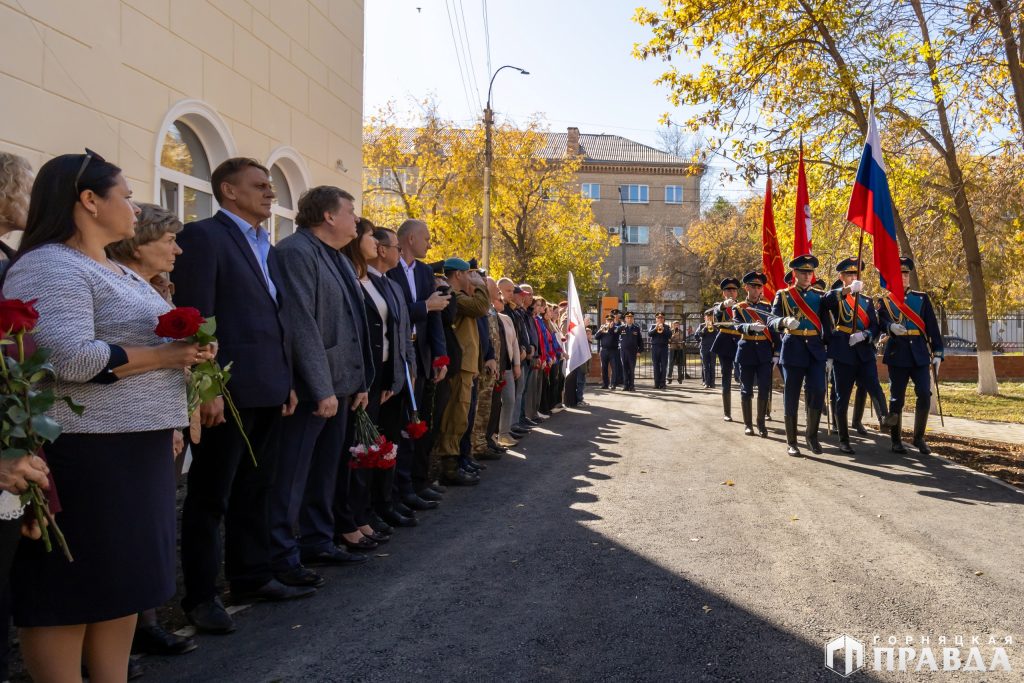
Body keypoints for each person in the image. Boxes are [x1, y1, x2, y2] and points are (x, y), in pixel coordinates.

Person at [4, 150, 206, 681]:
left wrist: (181, 354)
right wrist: (164, 356)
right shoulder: (50, 263)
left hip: (133, 445)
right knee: (72, 593)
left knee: (125, 587)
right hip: (86, 452)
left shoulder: (114, 268)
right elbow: (68, 356)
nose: (136, 208)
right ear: (89, 200)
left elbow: (133, 341)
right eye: (127, 196)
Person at [172, 157, 309, 635]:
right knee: (211, 496)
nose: (271, 194)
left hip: (270, 387)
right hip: (226, 394)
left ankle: (251, 577)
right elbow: (197, 316)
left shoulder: (264, 246)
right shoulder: (203, 237)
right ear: (228, 191)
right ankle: (201, 596)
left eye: (271, 187)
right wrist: (205, 388)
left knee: (257, 489)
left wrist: (287, 380)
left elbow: (276, 318)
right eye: (261, 186)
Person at [105, 203, 200, 657]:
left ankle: (144, 620)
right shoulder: (115, 285)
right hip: (121, 427)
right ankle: (125, 630)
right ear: (137, 243)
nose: (178, 249)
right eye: (168, 240)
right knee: (125, 533)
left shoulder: (153, 287)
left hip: (159, 422)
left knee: (148, 532)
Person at [270, 186, 371, 593]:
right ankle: (283, 555)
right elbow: (301, 323)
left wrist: (360, 381)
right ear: (328, 216)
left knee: (325, 471)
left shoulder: (338, 258)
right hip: (316, 388)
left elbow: (356, 324)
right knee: (293, 475)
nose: (355, 219)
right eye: (350, 211)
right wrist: (321, 385)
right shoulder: (296, 251)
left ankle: (317, 540)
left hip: (341, 385)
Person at [386, 220, 451, 501]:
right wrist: (424, 306)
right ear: (410, 239)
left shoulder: (425, 272)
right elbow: (393, 314)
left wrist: (440, 355)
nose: (430, 243)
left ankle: (417, 482)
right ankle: (399, 490)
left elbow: (435, 316)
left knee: (420, 423)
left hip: (422, 357)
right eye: (426, 238)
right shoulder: (388, 269)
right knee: (398, 426)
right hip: (397, 356)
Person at [369, 227, 421, 526]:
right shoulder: (366, 283)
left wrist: (410, 368)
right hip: (381, 378)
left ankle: (388, 501)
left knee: (393, 441)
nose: (399, 253)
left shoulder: (391, 285)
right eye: (395, 248)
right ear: (381, 250)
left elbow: (404, 334)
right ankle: (374, 507)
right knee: (377, 443)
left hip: (399, 377)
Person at [822, 258, 899, 453]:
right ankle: (844, 438)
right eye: (849, 274)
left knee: (874, 384)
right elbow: (825, 303)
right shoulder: (837, 296)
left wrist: (866, 334)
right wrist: (847, 291)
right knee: (842, 396)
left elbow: (874, 324)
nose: (853, 277)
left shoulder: (866, 300)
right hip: (843, 352)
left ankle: (884, 416)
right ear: (841, 277)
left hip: (863, 350)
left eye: (855, 274)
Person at [878, 257, 944, 454]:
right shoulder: (885, 301)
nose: (904, 278)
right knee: (897, 398)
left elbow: (932, 326)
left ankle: (918, 438)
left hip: (919, 354)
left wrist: (938, 353)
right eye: (900, 275)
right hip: (897, 352)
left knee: (924, 393)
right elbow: (879, 322)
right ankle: (896, 440)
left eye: (906, 274)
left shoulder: (921, 298)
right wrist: (890, 327)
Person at [768, 255, 832, 456]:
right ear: (794, 274)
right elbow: (772, 320)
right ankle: (792, 441)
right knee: (792, 395)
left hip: (815, 349)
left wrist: (829, 352)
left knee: (818, 390)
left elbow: (827, 326)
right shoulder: (784, 295)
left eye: (810, 272)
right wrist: (783, 322)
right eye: (803, 272)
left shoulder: (819, 296)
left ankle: (812, 437)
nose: (807, 275)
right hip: (793, 348)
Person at [433, 259, 490, 485]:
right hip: (459, 365)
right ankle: (449, 466)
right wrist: (480, 285)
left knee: (461, 416)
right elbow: (480, 308)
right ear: (457, 274)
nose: (471, 278)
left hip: (467, 365)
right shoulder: (453, 295)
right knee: (455, 416)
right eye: (468, 274)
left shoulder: (460, 296)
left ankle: (455, 462)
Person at [732, 272, 775, 437]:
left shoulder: (767, 307)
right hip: (746, 351)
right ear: (746, 287)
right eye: (753, 286)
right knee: (746, 389)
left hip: (764, 352)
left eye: (759, 286)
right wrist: (749, 327)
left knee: (764, 388)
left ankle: (761, 423)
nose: (757, 289)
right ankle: (748, 424)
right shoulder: (739, 307)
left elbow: (773, 330)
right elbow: (736, 325)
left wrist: (776, 351)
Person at [493, 280, 522, 447]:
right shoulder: (490, 317)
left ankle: (504, 433)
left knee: (509, 399)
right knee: (494, 403)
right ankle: (493, 435)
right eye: (499, 297)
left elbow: (514, 343)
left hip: (508, 367)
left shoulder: (506, 319)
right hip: (495, 367)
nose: (503, 299)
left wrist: (517, 364)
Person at [711, 278, 742, 420]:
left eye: (734, 290)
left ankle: (745, 409)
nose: (731, 292)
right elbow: (717, 312)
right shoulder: (719, 305)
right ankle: (727, 412)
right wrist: (724, 304)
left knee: (743, 377)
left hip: (741, 342)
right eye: (729, 290)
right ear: (724, 293)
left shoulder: (742, 306)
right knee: (726, 378)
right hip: (725, 342)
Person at [617, 311, 644, 391]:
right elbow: (614, 335)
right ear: (625, 319)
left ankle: (632, 386)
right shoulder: (621, 328)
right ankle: (626, 385)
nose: (629, 319)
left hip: (633, 352)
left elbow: (640, 341)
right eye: (628, 318)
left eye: (631, 318)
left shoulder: (636, 328)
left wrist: (639, 351)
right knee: (624, 369)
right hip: (623, 352)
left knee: (631, 369)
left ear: (633, 319)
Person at [595, 314, 620, 389]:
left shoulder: (616, 328)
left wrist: (611, 328)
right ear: (606, 321)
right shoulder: (602, 327)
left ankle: (613, 384)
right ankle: (605, 384)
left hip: (613, 350)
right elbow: (596, 337)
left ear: (613, 320)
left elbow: (616, 336)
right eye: (608, 320)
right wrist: (601, 331)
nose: (609, 322)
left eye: (611, 320)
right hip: (604, 350)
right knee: (604, 368)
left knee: (614, 368)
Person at [648, 312, 672, 389]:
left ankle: (663, 383)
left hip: (664, 348)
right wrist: (656, 328)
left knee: (664, 366)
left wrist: (663, 329)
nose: (660, 319)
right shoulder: (653, 326)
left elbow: (669, 335)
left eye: (661, 318)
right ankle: (656, 383)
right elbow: (649, 334)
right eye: (658, 318)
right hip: (655, 348)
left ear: (664, 319)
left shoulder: (667, 327)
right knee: (656, 366)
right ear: (656, 319)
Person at [695, 310, 717, 388]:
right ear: (705, 318)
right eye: (708, 317)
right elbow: (697, 336)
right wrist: (705, 328)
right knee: (705, 366)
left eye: (711, 317)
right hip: (704, 348)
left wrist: (714, 328)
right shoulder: (701, 326)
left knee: (712, 366)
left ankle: (713, 383)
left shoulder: (716, 326)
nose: (709, 318)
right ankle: (707, 382)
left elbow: (718, 336)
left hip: (713, 348)